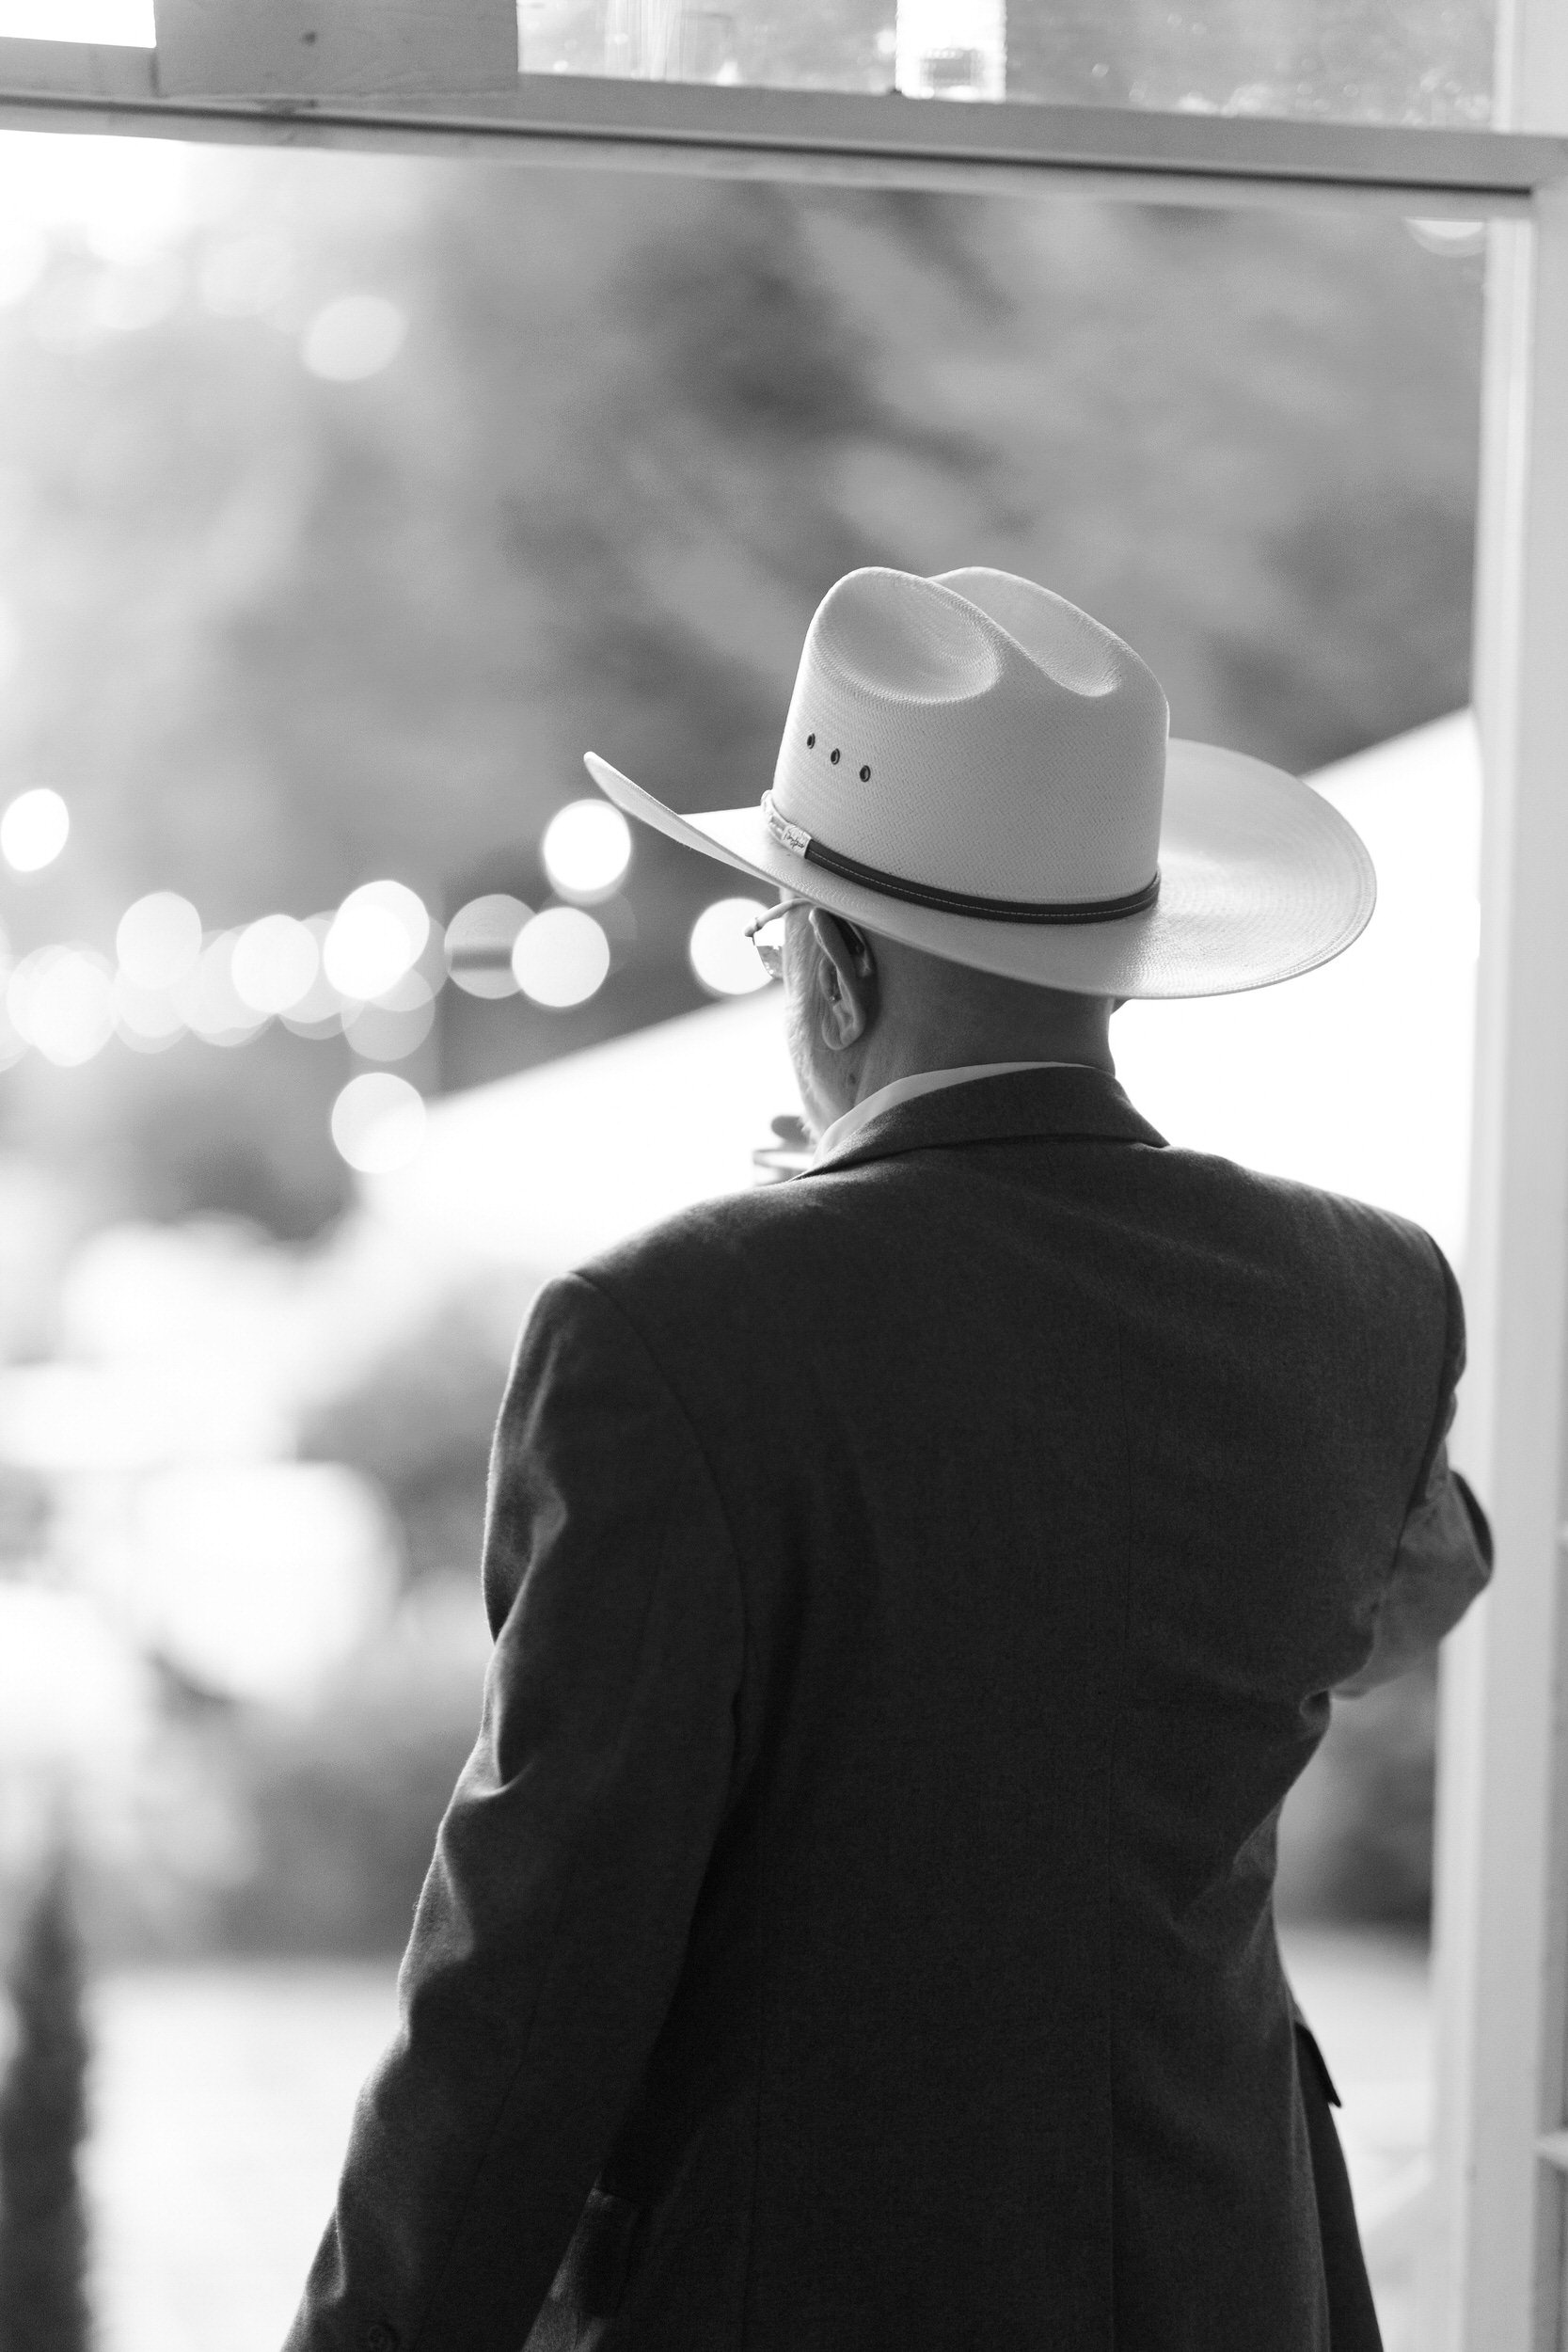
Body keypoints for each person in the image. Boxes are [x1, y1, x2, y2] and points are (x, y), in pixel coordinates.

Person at [285, 567, 1492, 2352]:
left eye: (780, 942)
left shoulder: (671, 1332)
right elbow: (1404, 1587)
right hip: (1231, 2270)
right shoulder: (1369, 1301)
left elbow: (533, 1976)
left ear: (836, 970)